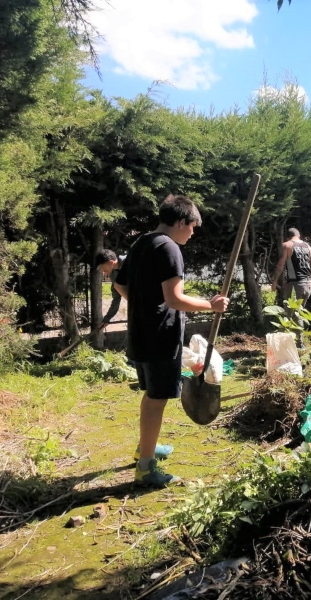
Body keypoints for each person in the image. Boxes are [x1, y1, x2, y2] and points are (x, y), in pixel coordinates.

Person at [114, 195, 230, 488]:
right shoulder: (169, 248)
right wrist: (211, 305)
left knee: (153, 394)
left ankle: (146, 447)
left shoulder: (141, 242)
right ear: (181, 222)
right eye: (192, 227)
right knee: (158, 398)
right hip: (160, 335)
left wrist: (144, 305)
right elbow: (174, 298)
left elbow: (119, 284)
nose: (193, 233)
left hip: (140, 332)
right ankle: (145, 468)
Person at [271, 228, 311, 344]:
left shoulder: (287, 245)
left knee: (292, 314)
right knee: (299, 312)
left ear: (287, 237)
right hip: (307, 285)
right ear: (299, 235)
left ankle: (298, 343)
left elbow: (281, 264)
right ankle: (294, 341)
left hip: (294, 284)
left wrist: (275, 281)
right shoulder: (307, 246)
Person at [95, 249, 126, 330]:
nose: (103, 272)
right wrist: (107, 319)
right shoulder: (114, 275)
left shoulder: (130, 262)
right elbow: (116, 298)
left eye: (103, 268)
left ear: (111, 263)